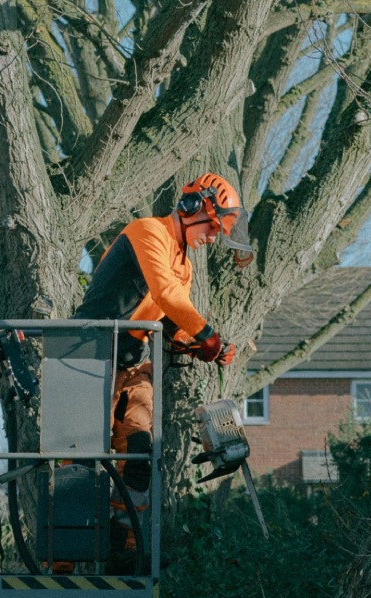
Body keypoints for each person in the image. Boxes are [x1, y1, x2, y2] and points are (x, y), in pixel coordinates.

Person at [72, 172, 254, 574]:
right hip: (87, 355)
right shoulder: (147, 232)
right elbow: (166, 295)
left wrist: (204, 348)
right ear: (193, 210)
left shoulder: (183, 267)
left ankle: (125, 548)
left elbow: (171, 322)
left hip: (132, 362)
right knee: (80, 457)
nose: (211, 239)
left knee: (138, 452)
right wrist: (207, 335)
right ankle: (67, 557)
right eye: (212, 228)